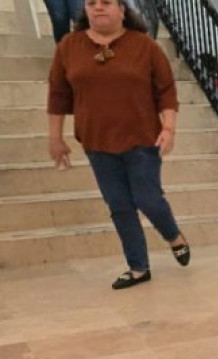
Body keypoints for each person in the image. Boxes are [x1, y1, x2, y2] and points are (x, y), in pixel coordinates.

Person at [48, 0, 190, 289]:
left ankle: (173, 235)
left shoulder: (144, 45)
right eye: (92, 3)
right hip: (97, 142)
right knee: (119, 205)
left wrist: (169, 127)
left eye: (106, 3)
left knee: (147, 198)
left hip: (141, 138)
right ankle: (138, 267)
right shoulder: (69, 46)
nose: (98, 8)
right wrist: (55, 138)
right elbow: (58, 95)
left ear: (123, 9)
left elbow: (166, 90)